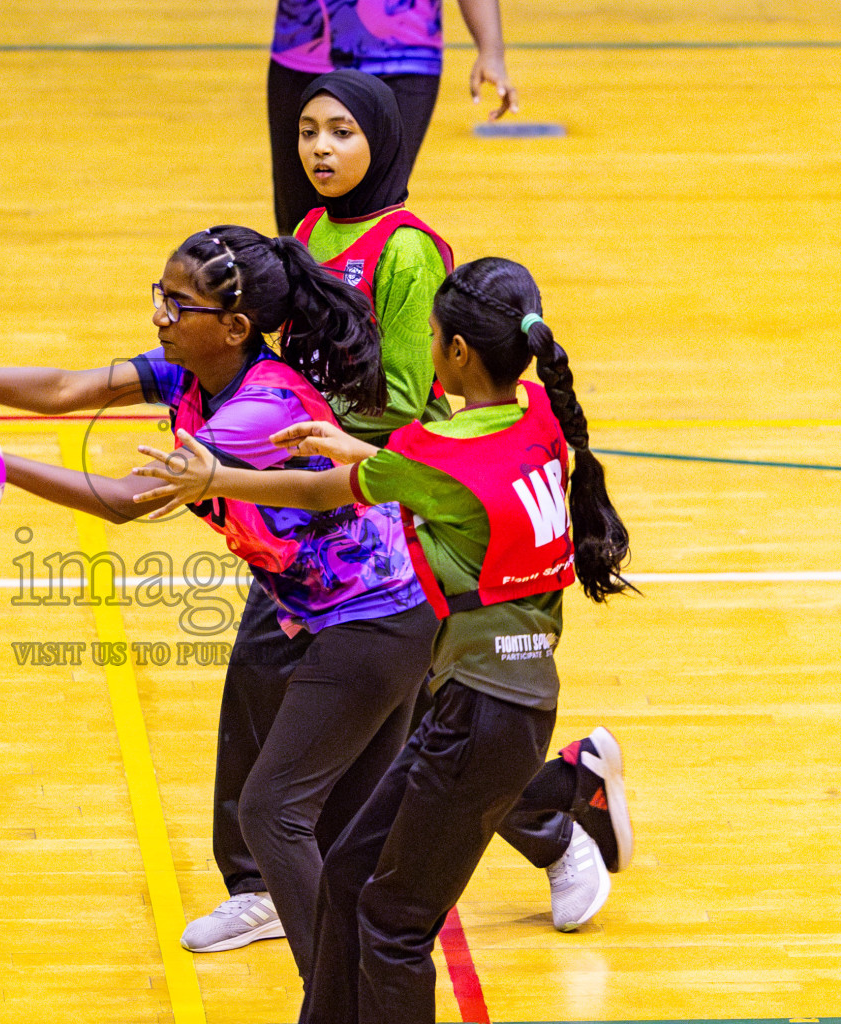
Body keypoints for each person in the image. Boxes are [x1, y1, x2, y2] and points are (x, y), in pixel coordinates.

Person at [0, 226, 440, 987]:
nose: (159, 315)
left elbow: (128, 501)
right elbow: (67, 389)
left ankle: (337, 1001)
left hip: (375, 621)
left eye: (175, 303)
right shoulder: (195, 372)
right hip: (365, 614)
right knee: (343, 840)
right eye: (160, 296)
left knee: (272, 813)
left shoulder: (257, 412)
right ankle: (360, 999)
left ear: (233, 327)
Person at [183, 67, 629, 954]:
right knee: (269, 688)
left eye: (341, 132)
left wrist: (276, 439)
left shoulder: (408, 249)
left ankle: (562, 814)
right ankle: (262, 883)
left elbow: (403, 397)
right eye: (308, 130)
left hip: (380, 516)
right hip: (306, 512)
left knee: (421, 734)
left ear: (382, 141)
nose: (320, 148)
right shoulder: (308, 229)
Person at [133, 256, 635, 1022]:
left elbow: (311, 490)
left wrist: (217, 480)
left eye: (432, 336)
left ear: (457, 353)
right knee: (345, 875)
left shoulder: (438, 452)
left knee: (395, 927)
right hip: (495, 705)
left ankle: (563, 808)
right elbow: (442, 486)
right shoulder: (534, 415)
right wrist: (360, 450)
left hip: (479, 717)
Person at [269, 0, 519, 236]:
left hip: (403, 54)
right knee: (298, 220)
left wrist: (491, 50)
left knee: (372, 209)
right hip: (302, 47)